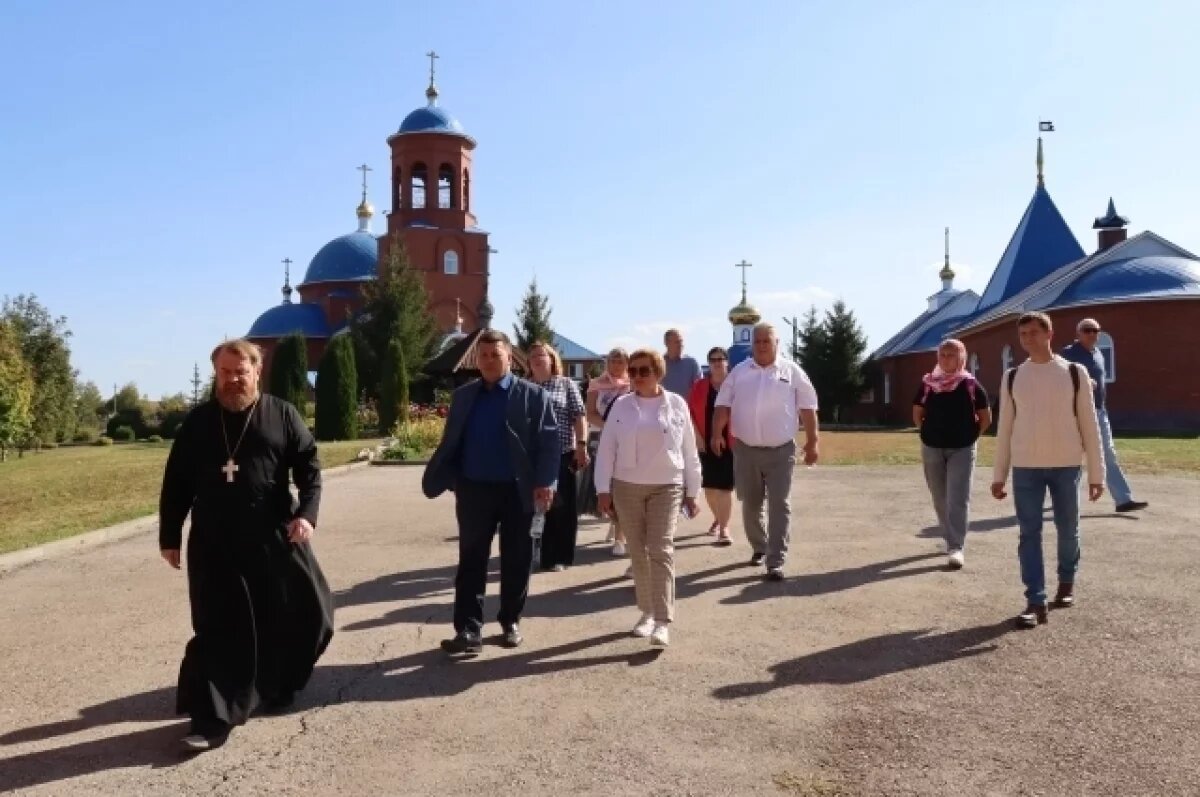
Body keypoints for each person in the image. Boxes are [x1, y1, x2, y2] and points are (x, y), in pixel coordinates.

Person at [159, 339, 333, 753]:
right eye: (225, 372)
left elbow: (309, 468)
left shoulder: (282, 415)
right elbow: (177, 481)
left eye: (241, 371)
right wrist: (170, 536)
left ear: (257, 371)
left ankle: (269, 687)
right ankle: (212, 719)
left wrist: (306, 515)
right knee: (218, 627)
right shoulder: (199, 422)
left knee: (308, 613)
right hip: (214, 540)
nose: (233, 379)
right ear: (216, 374)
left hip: (272, 534)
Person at [422, 330, 559, 656]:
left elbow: (550, 443)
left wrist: (546, 483)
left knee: (517, 558)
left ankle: (510, 621)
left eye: (495, 355)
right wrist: (455, 480)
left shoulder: (533, 396)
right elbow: (452, 440)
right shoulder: (464, 396)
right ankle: (468, 631)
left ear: (510, 358)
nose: (487, 361)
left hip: (518, 490)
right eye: (483, 356)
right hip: (473, 490)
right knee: (471, 560)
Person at [992, 312, 1104, 630]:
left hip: (1066, 465)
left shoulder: (1073, 372)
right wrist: (999, 474)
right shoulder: (1012, 376)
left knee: (1068, 529)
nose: (1028, 339)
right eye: (1023, 334)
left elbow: (1089, 425)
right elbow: (1005, 429)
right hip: (1026, 467)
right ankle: (1035, 601)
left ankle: (1066, 582)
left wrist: (1097, 475)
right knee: (1029, 534)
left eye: (1033, 332)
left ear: (1049, 333)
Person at [595, 348, 701, 647]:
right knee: (638, 552)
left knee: (661, 548)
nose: (638, 376)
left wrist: (693, 491)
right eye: (634, 371)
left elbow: (689, 451)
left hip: (667, 485)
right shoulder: (621, 406)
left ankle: (663, 620)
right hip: (627, 485)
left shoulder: (677, 404)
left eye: (645, 371)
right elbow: (607, 449)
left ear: (658, 373)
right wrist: (603, 489)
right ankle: (647, 613)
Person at [711, 322, 819, 581]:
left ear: (776, 343)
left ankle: (776, 560)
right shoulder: (739, 372)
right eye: (757, 341)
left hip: (781, 451)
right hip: (746, 450)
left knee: (779, 504)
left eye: (766, 341)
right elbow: (723, 405)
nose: (761, 346)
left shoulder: (792, 372)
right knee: (750, 504)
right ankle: (760, 546)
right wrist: (716, 433)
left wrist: (813, 441)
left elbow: (808, 407)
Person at [912, 339, 992, 570]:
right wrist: (927, 433)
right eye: (943, 355)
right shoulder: (927, 384)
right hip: (932, 447)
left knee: (957, 498)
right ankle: (949, 537)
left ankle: (956, 546)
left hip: (962, 448)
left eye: (952, 355)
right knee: (939, 497)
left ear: (961, 358)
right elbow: (918, 412)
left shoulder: (971, 385)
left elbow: (985, 418)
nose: (946, 359)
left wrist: (969, 437)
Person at [1061, 318, 1148, 513]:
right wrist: (1082, 381)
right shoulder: (1067, 353)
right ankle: (1062, 496)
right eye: (1087, 330)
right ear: (1078, 333)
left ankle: (1123, 500)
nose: (1092, 334)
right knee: (1070, 455)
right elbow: (1057, 378)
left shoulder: (1098, 353)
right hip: (1074, 412)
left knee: (1108, 453)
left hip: (1099, 411)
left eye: (1096, 330)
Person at [527, 341, 589, 571]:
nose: (536, 358)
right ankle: (538, 554)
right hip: (532, 457)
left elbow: (579, 415)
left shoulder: (565, 384)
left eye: (541, 354)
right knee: (536, 506)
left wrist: (581, 445)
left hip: (562, 453)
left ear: (552, 359)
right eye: (532, 355)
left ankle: (559, 556)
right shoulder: (524, 386)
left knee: (562, 507)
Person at [584, 348, 631, 555]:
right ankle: (616, 522)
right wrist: (608, 426)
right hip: (604, 439)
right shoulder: (597, 384)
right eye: (613, 360)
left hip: (629, 441)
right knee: (607, 487)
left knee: (623, 487)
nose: (617, 365)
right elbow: (590, 413)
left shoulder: (634, 383)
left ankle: (621, 536)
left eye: (621, 361)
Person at [688, 346, 736, 546]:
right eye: (713, 359)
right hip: (704, 443)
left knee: (724, 487)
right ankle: (718, 517)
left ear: (726, 362)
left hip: (731, 442)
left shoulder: (736, 385)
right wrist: (697, 438)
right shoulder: (699, 386)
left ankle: (724, 528)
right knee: (709, 488)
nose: (717, 362)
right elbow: (688, 413)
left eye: (720, 359)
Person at [660, 328, 701, 397]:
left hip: (687, 406)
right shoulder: (659, 364)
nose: (680, 345)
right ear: (666, 343)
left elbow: (700, 388)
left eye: (681, 341)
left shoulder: (691, 363)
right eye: (677, 342)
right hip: (664, 406)